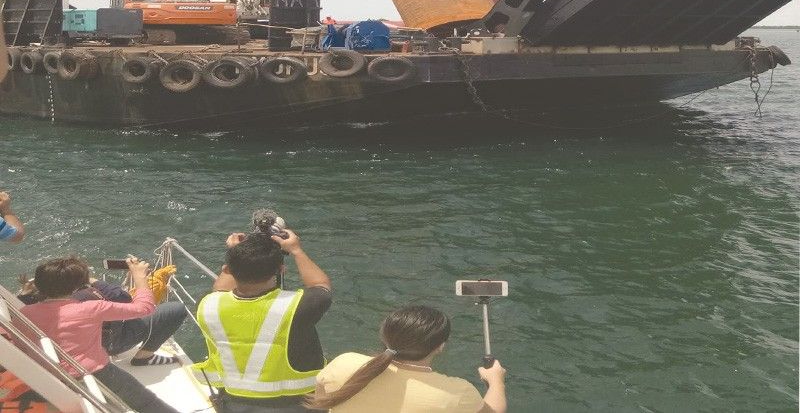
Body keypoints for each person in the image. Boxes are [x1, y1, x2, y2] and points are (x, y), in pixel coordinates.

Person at [193, 227, 332, 412]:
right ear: (281, 270)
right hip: (298, 407)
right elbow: (320, 285)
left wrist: (235, 253)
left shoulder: (208, 307)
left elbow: (220, 289)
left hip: (233, 405)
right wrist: (296, 250)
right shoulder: (299, 307)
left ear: (228, 269)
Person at [19, 256, 179, 413]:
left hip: (49, 378)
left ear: (39, 284)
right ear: (77, 286)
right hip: (97, 374)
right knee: (148, 403)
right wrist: (139, 277)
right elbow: (144, 308)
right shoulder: (91, 308)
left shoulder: (24, 313)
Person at [310, 305, 508, 413]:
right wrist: (496, 381)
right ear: (440, 346)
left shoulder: (345, 362)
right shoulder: (456, 392)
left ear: (384, 334)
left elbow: (321, 398)